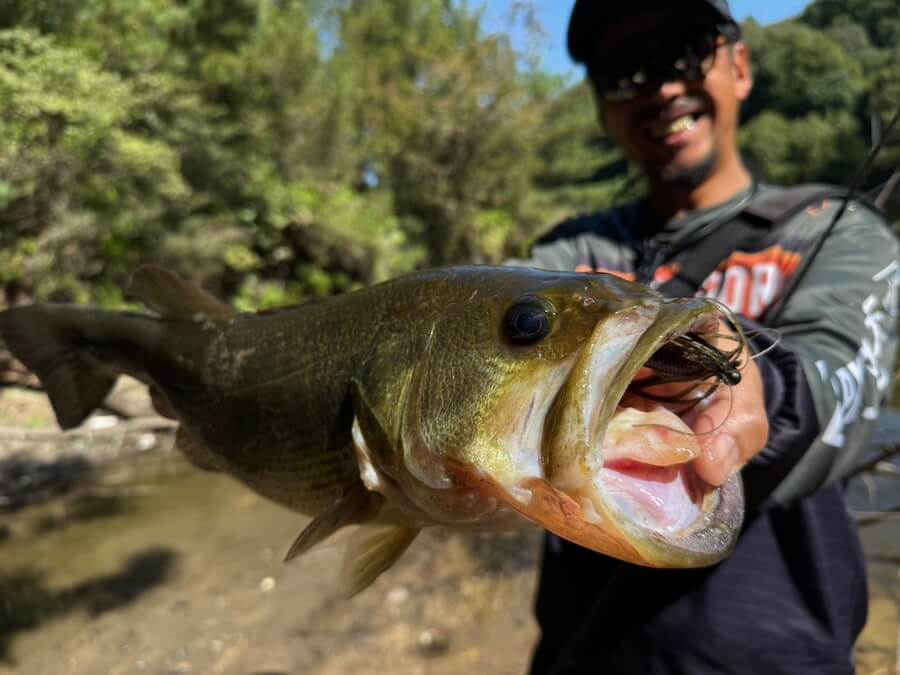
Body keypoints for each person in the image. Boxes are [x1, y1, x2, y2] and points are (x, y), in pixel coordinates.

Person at [514, 1, 900, 673]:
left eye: (684, 53)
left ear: (740, 66)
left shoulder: (832, 230)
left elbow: (834, 375)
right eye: (624, 73)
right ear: (602, 109)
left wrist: (758, 389)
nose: (661, 86)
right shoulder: (566, 253)